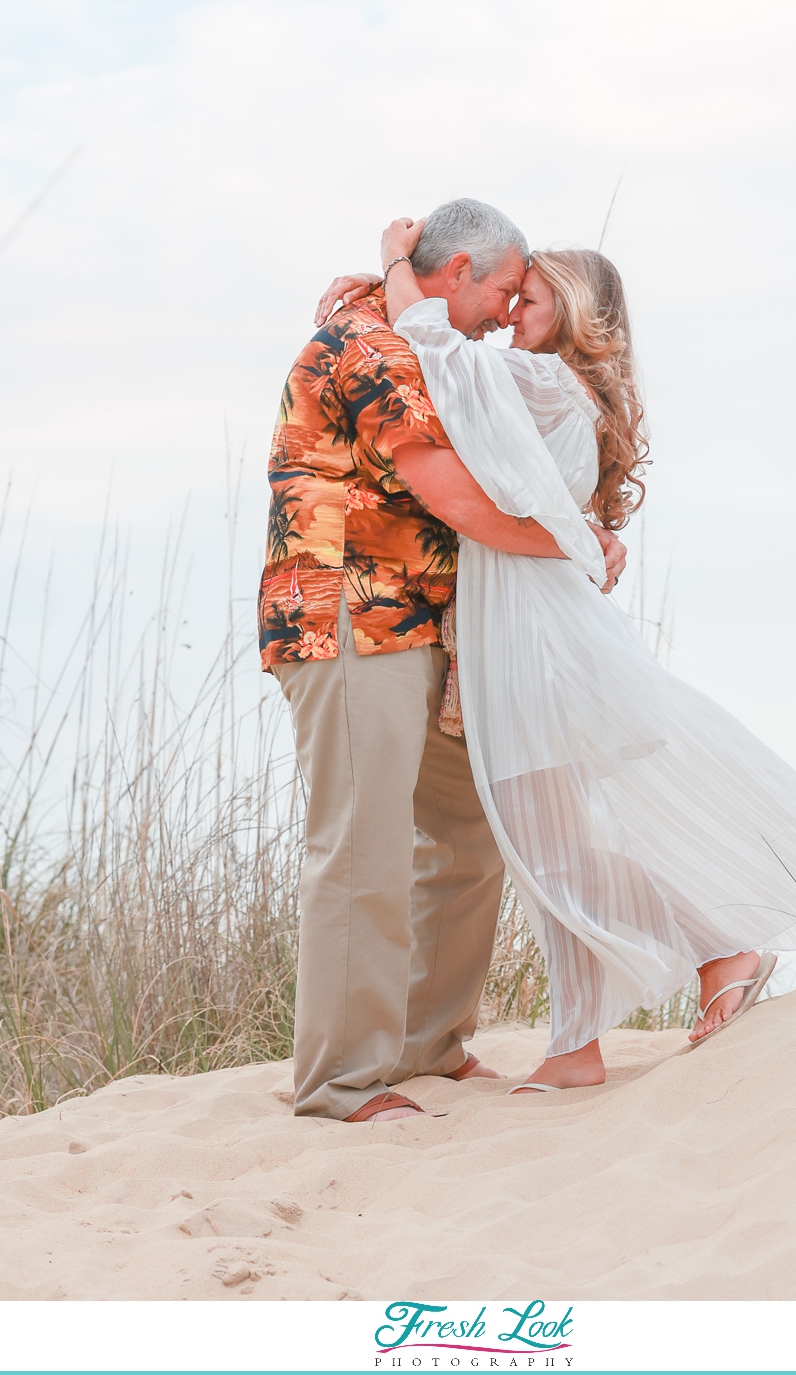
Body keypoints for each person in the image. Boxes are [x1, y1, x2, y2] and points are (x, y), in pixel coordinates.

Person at [317, 220, 796, 1094]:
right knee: (555, 851)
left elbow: (434, 349)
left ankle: (712, 954)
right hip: (528, 628)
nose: (505, 316)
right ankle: (585, 1041)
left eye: (524, 300)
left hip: (534, 639)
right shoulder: (558, 390)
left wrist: (391, 266)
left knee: (549, 849)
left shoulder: (539, 381)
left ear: (568, 312)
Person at [259, 198, 626, 1123]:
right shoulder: (370, 349)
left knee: (468, 834)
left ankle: (426, 1044)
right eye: (505, 289)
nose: (510, 311)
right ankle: (341, 1084)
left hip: (422, 627)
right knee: (362, 846)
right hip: (348, 618)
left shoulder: (414, 342)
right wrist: (575, 546)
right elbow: (454, 497)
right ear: (457, 272)